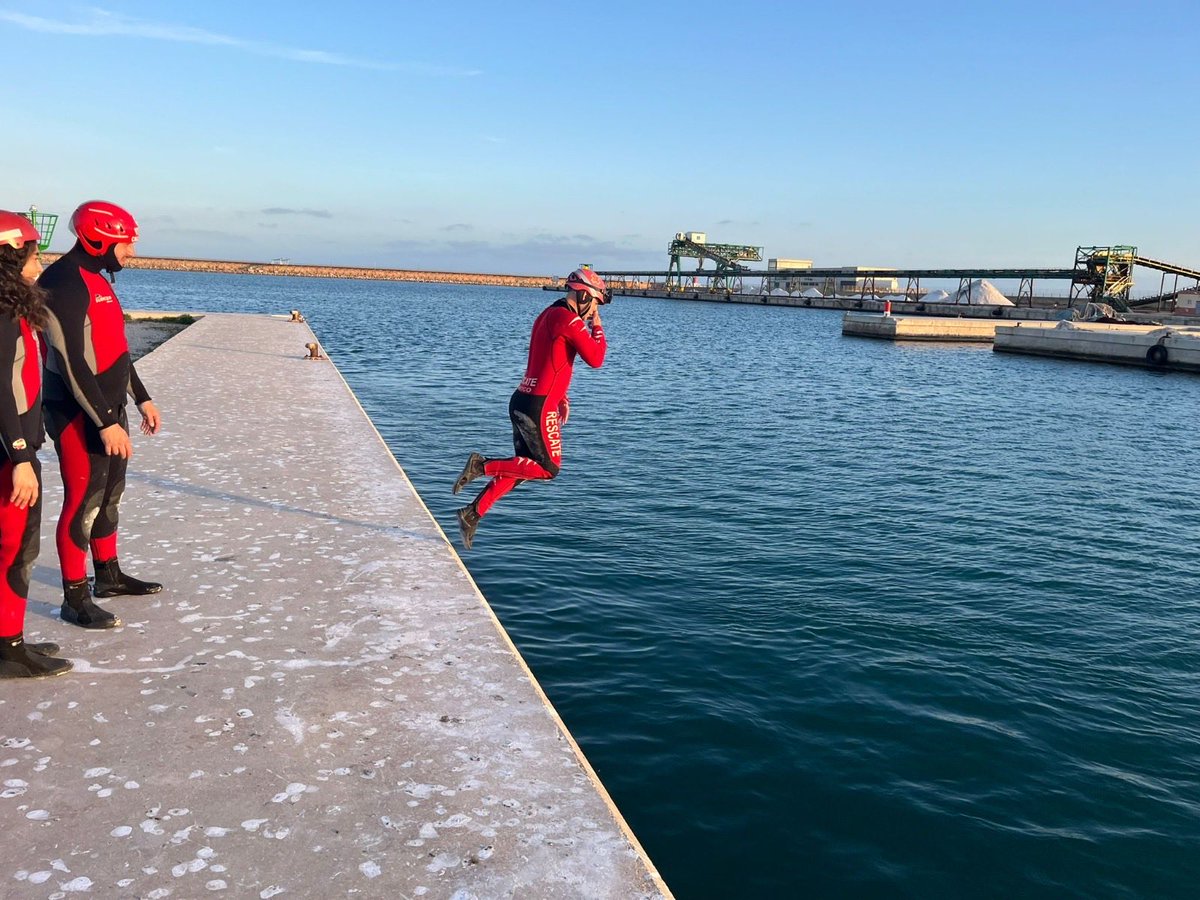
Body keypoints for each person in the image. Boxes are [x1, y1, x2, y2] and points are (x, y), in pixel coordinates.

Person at [38, 201, 162, 630]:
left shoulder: (97, 278)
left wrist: (141, 397)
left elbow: (115, 348)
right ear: (100, 238)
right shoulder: (64, 282)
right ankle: (75, 599)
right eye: (126, 243)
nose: (131, 253)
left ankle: (107, 576)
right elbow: (71, 360)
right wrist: (104, 422)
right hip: (77, 411)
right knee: (83, 499)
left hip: (111, 405)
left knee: (111, 492)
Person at [452, 267, 608, 550]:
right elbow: (596, 359)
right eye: (595, 305)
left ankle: (472, 514)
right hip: (538, 406)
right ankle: (480, 465)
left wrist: (562, 396)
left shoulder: (548, 315)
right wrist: (597, 327)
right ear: (584, 296)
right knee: (548, 469)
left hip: (525, 398)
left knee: (523, 469)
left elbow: (548, 360)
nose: (593, 312)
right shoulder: (569, 320)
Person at [0, 211, 71, 677]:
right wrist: (22, 456)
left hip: (15, 448)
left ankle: (10, 638)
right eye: (32, 251)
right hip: (10, 454)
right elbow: (3, 387)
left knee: (17, 548)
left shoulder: (13, 306)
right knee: (15, 549)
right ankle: (8, 649)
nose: (39, 259)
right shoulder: (4, 312)